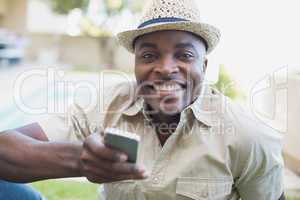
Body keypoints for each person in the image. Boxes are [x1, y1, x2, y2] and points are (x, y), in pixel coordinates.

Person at [0, 0, 285, 199]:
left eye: (184, 55)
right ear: (135, 63)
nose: (164, 67)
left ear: (204, 67)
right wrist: (78, 159)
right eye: (149, 55)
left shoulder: (248, 135)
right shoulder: (107, 106)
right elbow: (5, 150)